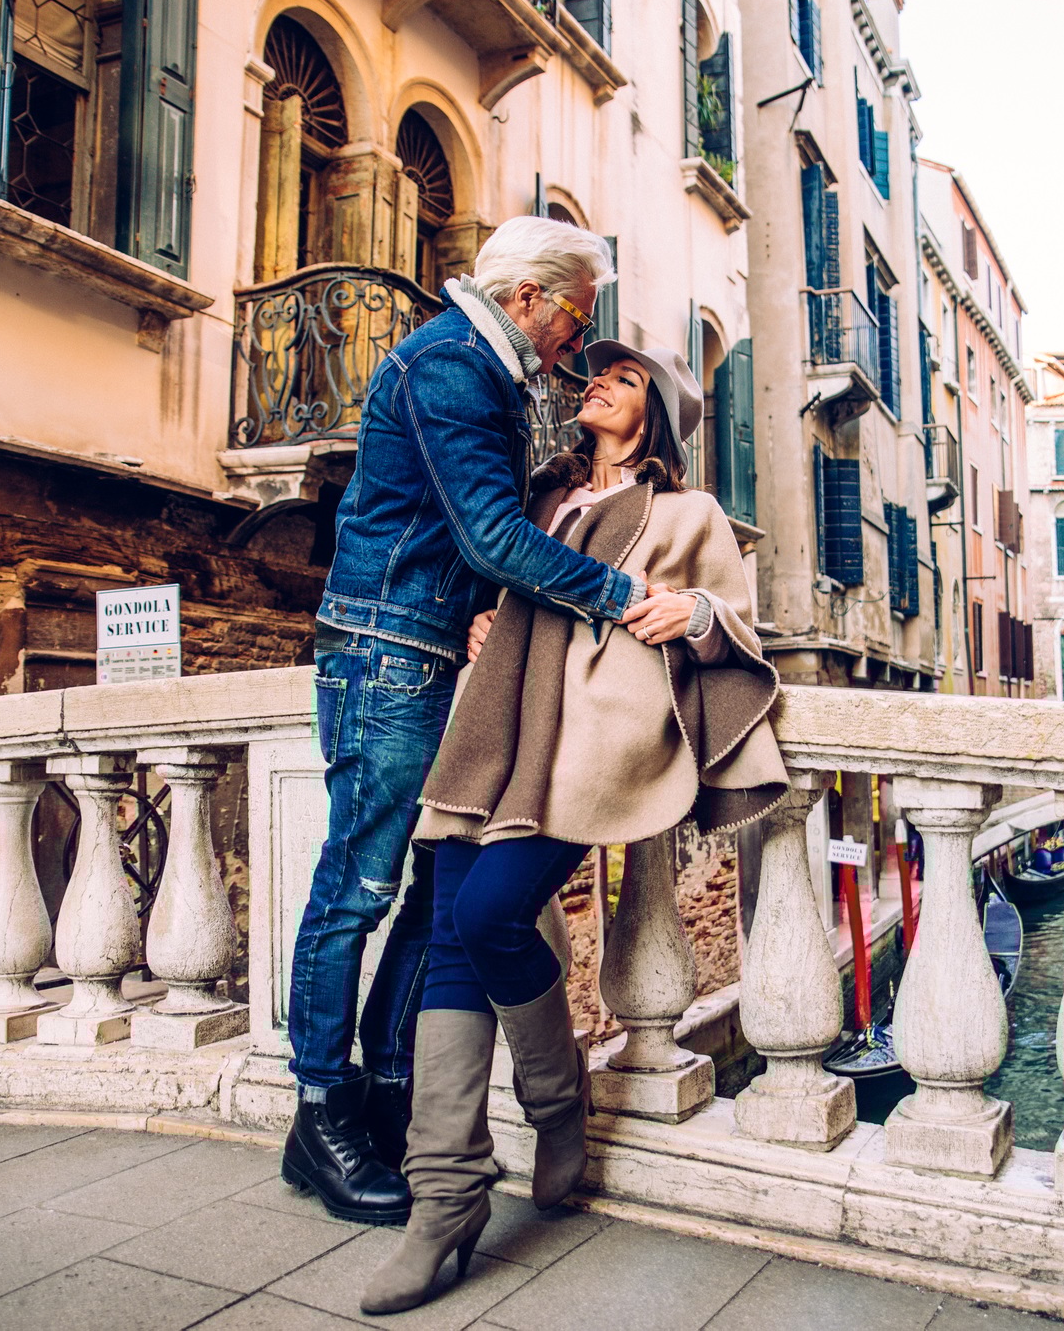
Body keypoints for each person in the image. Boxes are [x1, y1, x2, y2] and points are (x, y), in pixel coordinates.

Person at [359, 340, 786, 1315]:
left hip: (591, 742)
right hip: (498, 728)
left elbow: (741, 621)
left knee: (490, 911)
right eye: (591, 371)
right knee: (462, 931)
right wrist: (487, 623)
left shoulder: (688, 512)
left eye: (622, 377)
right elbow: (500, 578)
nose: (593, 382)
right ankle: (447, 1196)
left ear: (658, 415)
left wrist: (696, 611)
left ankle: (556, 1107)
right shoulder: (540, 500)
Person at [281, 218, 666, 1226]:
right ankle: (321, 1111)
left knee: (423, 896)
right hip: (385, 650)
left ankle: (391, 1094)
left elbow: (469, 536)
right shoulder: (453, 364)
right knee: (357, 887)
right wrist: (618, 594)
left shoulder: (485, 372)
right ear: (532, 296)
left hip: (422, 645)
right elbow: (491, 534)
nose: (574, 347)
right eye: (575, 317)